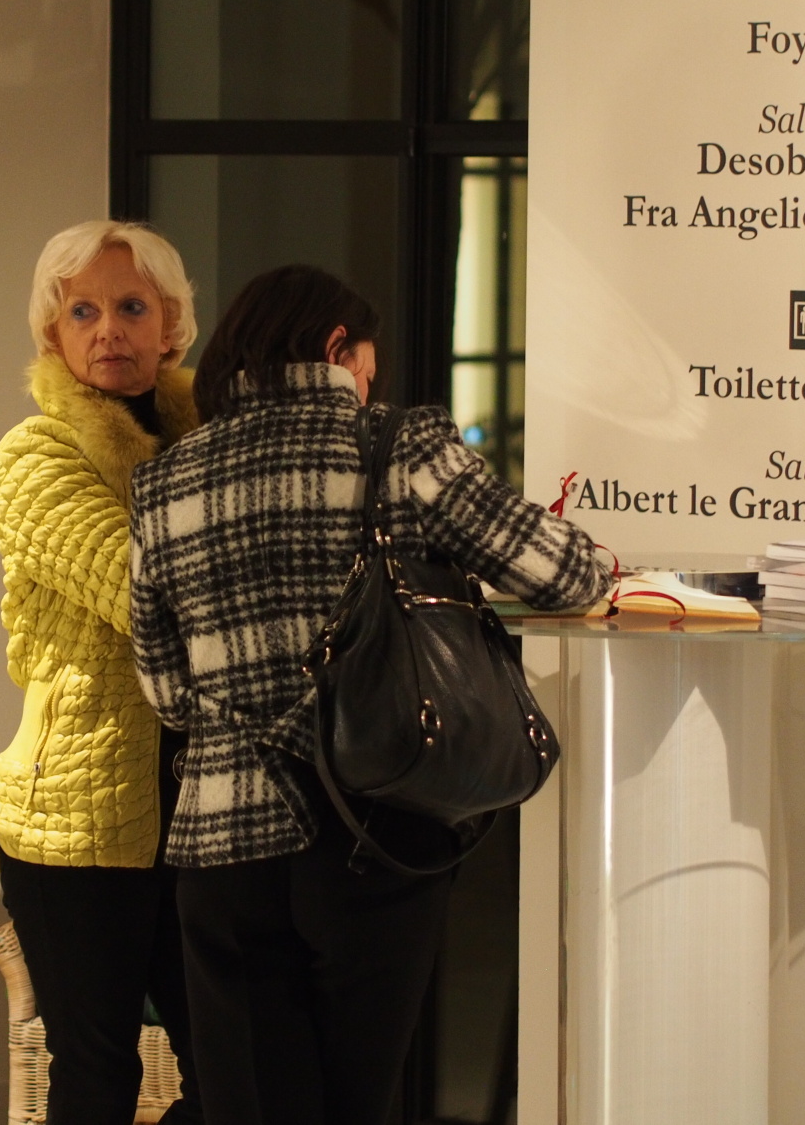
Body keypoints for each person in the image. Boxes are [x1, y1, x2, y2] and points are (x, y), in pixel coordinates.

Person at [128, 264, 610, 1125]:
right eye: (366, 367)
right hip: (372, 825)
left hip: (222, 843)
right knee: (355, 1101)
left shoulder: (164, 483)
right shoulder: (397, 445)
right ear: (335, 347)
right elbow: (563, 574)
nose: (369, 385)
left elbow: (166, 692)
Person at [0, 220, 205, 1124]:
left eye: (131, 307)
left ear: (170, 324)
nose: (109, 330)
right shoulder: (35, 453)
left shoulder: (205, 443)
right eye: (83, 312)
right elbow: (142, 592)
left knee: (233, 1073)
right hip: (74, 818)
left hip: (201, 809)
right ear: (52, 331)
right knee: (96, 1078)